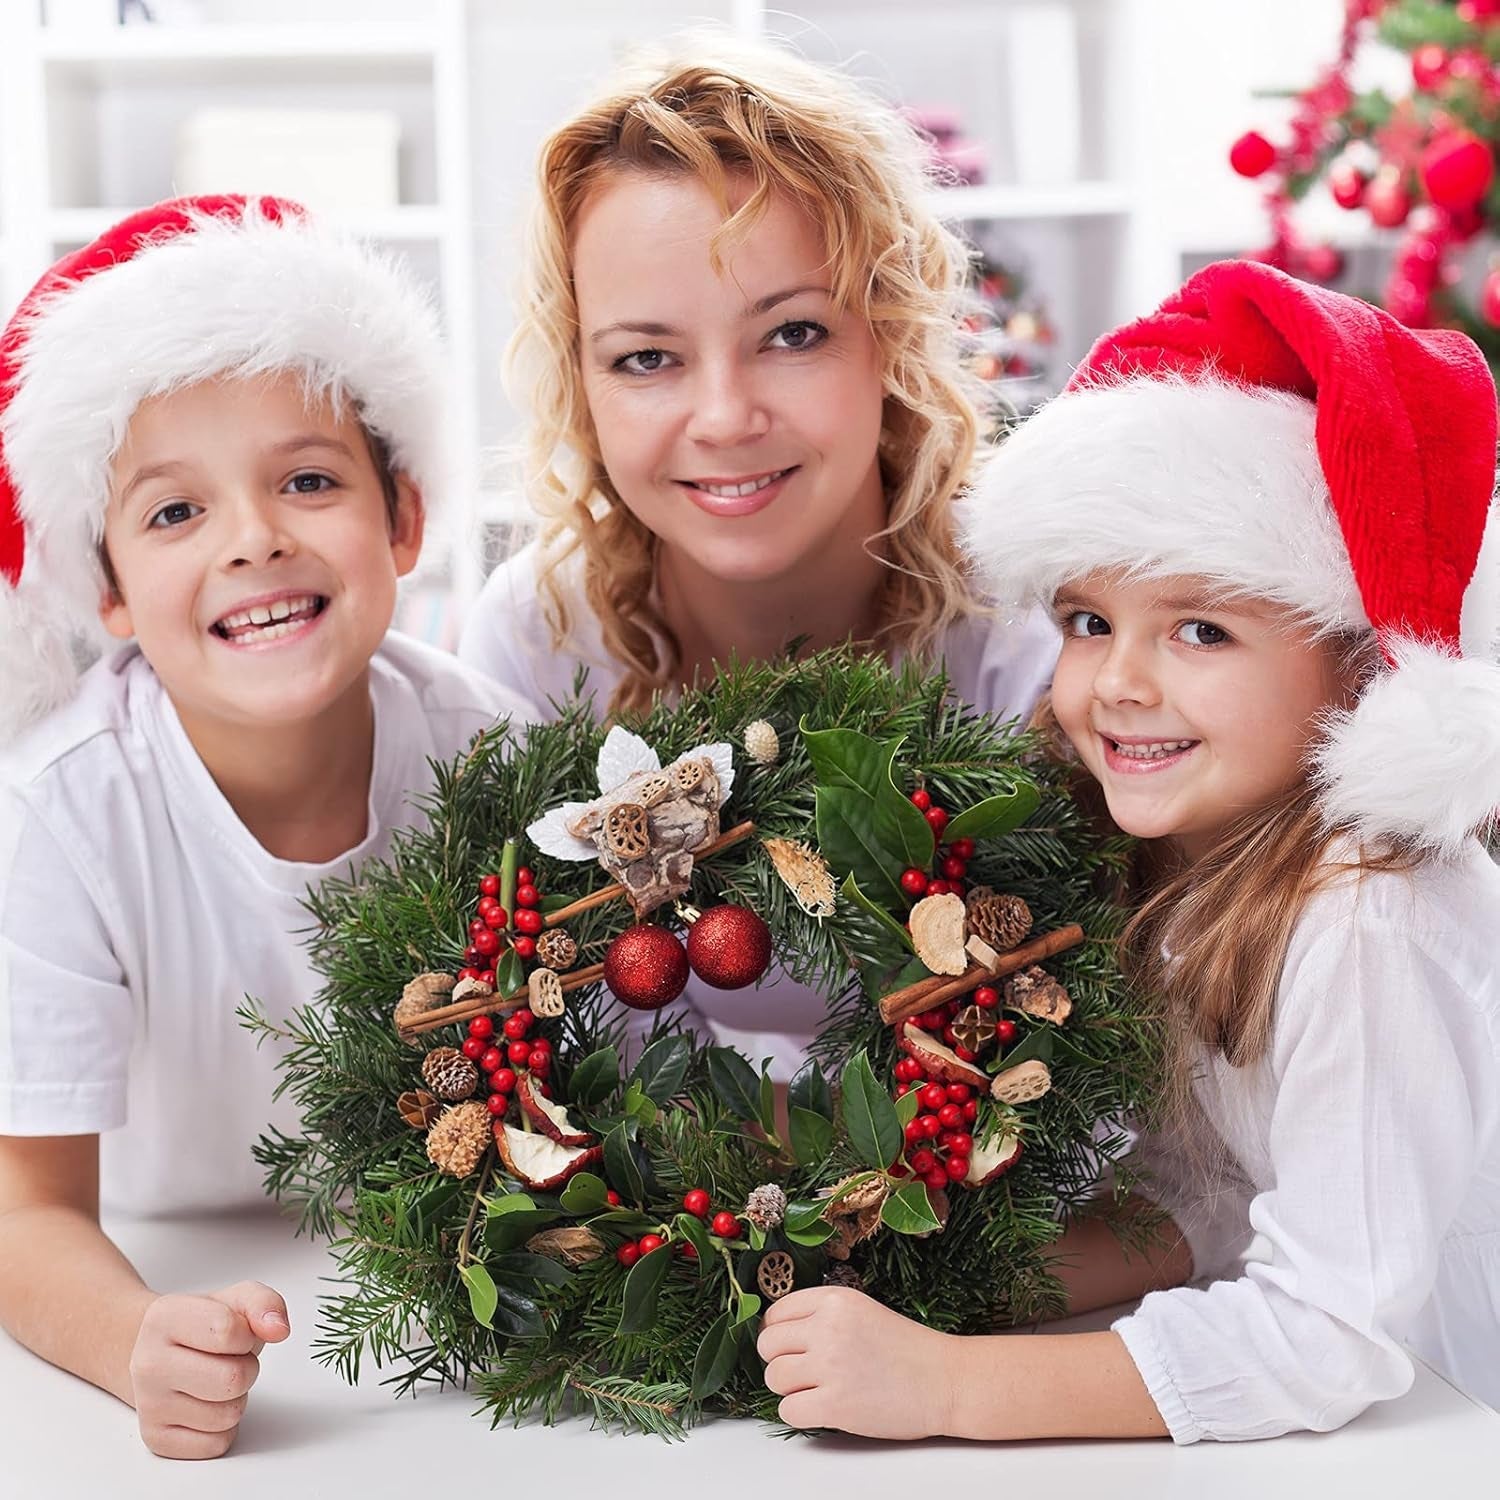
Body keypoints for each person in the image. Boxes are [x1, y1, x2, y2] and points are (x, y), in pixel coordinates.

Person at [756, 258, 1500, 1440]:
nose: (1120, 681)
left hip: (1449, 1427)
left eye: (1202, 628)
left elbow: (1328, 1335)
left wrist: (948, 1388)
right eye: (1090, 622)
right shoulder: (1191, 862)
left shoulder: (1367, 914)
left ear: (1358, 662)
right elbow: (1201, 1202)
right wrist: (943, 1296)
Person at [0, 197, 536, 1459]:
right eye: (175, 512)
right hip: (154, 1250)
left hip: (419, 1295)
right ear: (110, 591)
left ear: (403, 518)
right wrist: (134, 1339)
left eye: (307, 479)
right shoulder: (61, 812)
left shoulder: (491, 755)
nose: (255, 538)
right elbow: (25, 1209)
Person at [459, 36, 1058, 1070]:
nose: (725, 417)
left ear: (892, 338)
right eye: (647, 358)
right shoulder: (538, 638)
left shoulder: (1030, 625)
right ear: (584, 387)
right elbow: (558, 1043)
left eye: (791, 335)